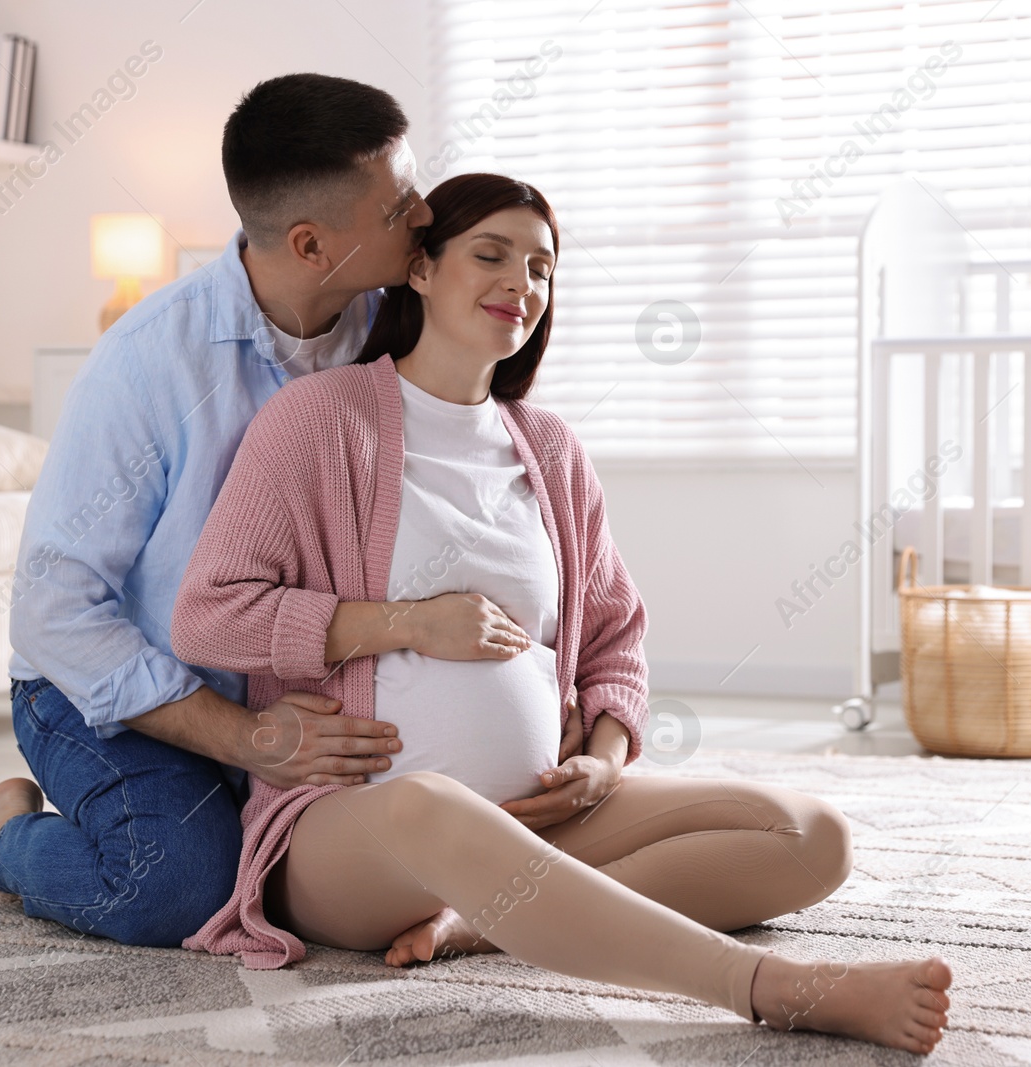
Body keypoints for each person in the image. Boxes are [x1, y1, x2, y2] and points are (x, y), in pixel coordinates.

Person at [169, 173, 954, 1055]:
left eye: (542, 268)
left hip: (536, 809)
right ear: (420, 270)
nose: (523, 285)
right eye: (491, 255)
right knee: (430, 804)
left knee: (813, 835)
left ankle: (479, 921)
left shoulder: (548, 448)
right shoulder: (318, 420)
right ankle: (767, 988)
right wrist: (405, 623)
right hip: (352, 827)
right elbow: (208, 614)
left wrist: (608, 759)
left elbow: (616, 633)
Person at [0, 75, 599, 945]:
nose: (424, 217)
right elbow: (56, 612)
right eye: (401, 205)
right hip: (116, 692)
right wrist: (249, 738)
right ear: (310, 240)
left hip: (287, 692)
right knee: (177, 886)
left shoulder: (392, 324)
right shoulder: (147, 367)